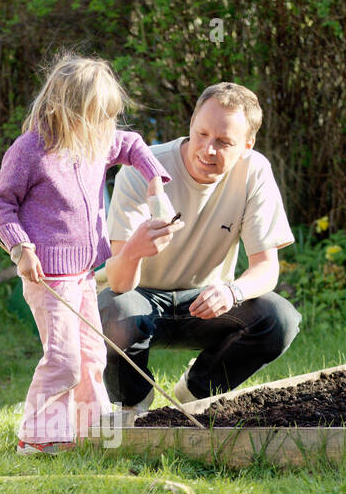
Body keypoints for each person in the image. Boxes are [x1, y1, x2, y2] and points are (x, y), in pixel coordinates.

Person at [0, 53, 174, 453]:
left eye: (109, 117)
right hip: (47, 278)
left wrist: (155, 179)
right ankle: (37, 436)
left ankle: (90, 430)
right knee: (63, 358)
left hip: (84, 274)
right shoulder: (30, 151)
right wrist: (21, 248)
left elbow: (133, 144)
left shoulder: (95, 141)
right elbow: (1, 204)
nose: (107, 127)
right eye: (98, 116)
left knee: (92, 353)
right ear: (66, 109)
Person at [99, 82, 301, 416]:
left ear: (247, 145)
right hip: (139, 298)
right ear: (191, 124)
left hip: (206, 304)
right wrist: (134, 251)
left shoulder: (255, 172)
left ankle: (196, 393)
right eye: (201, 134)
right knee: (111, 312)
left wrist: (233, 291)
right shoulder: (142, 169)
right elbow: (118, 284)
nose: (208, 149)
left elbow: (267, 268)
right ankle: (132, 403)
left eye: (223, 142)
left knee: (279, 319)